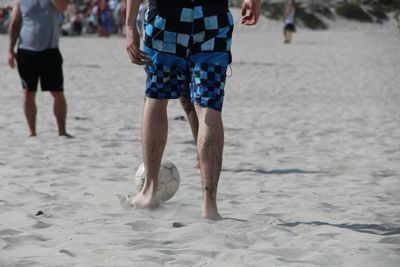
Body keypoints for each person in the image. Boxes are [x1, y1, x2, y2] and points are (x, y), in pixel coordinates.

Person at [122, 0, 260, 220]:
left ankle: (149, 192)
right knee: (208, 107)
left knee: (157, 98)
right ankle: (210, 206)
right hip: (211, 18)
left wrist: (130, 27)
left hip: (167, 18)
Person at [8, 0, 73, 138]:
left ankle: (62, 130)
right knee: (28, 92)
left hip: (50, 51)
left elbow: (63, 8)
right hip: (26, 50)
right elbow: (15, 24)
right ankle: (32, 131)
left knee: (58, 92)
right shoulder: (20, 1)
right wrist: (10, 50)